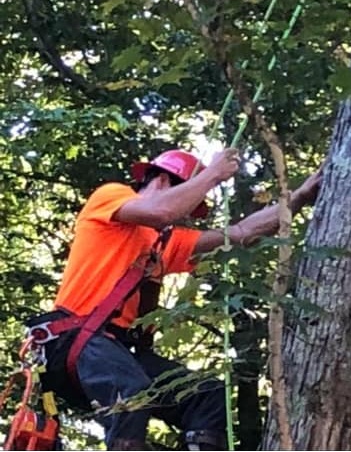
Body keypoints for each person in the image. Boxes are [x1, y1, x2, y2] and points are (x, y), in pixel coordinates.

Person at [26, 147, 321, 451]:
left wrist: (298, 198)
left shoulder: (165, 243)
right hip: (72, 338)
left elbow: (242, 232)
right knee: (132, 392)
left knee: (207, 396)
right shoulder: (111, 198)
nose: (185, 216)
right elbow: (160, 211)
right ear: (164, 181)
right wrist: (213, 174)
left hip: (114, 350)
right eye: (187, 201)